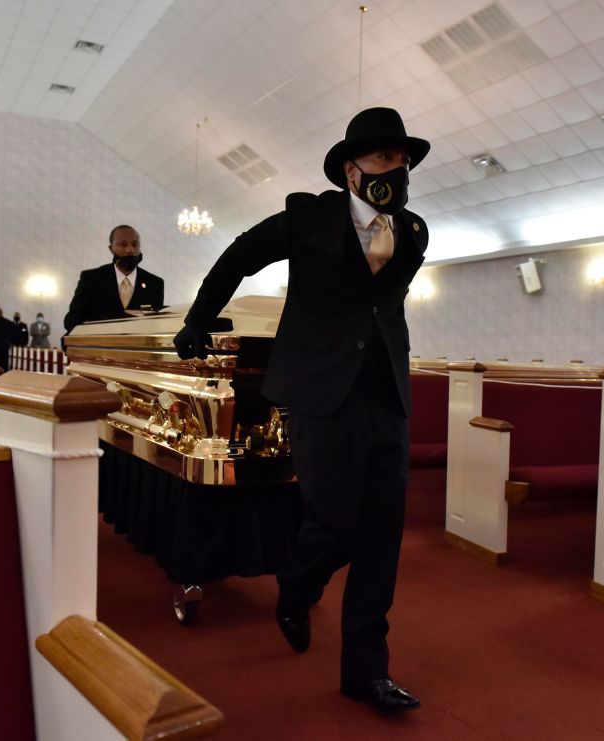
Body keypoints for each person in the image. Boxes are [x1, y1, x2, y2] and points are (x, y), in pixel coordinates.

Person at [172, 107, 429, 713]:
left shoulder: (414, 232)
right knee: (334, 519)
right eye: (384, 158)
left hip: (386, 394)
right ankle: (297, 584)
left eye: (404, 160)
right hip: (320, 393)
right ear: (351, 169)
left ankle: (367, 672)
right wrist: (197, 321)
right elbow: (237, 256)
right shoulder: (306, 216)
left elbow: (380, 312)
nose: (397, 169)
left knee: (382, 538)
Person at [63, 225, 165, 336]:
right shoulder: (91, 279)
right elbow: (74, 318)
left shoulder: (154, 283)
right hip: (99, 348)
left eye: (135, 244)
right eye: (123, 244)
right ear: (111, 249)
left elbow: (155, 323)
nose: (130, 250)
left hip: (138, 350)